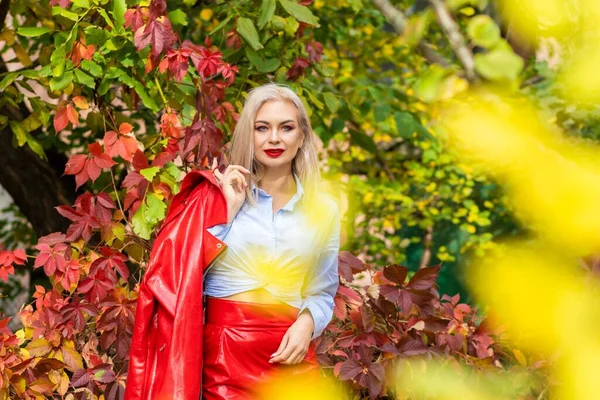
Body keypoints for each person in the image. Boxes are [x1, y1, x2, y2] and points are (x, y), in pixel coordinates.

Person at [202, 82, 341, 399]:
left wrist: (307, 323)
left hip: (291, 360)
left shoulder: (324, 210)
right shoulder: (217, 195)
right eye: (262, 127)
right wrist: (229, 209)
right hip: (224, 360)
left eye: (286, 127)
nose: (274, 138)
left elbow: (322, 290)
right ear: (248, 135)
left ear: (302, 135)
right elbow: (183, 275)